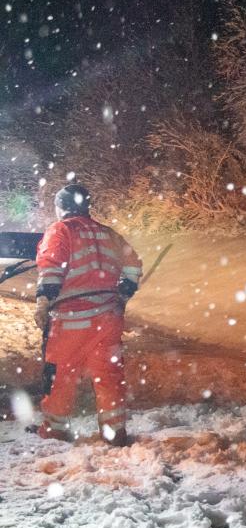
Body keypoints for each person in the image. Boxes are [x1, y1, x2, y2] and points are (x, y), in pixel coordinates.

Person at [32, 184, 142, 445]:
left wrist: (43, 303)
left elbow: (50, 270)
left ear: (62, 207)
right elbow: (133, 268)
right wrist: (122, 295)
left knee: (60, 375)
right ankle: (114, 432)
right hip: (107, 318)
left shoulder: (60, 231)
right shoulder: (108, 234)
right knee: (108, 376)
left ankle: (55, 432)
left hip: (71, 320)